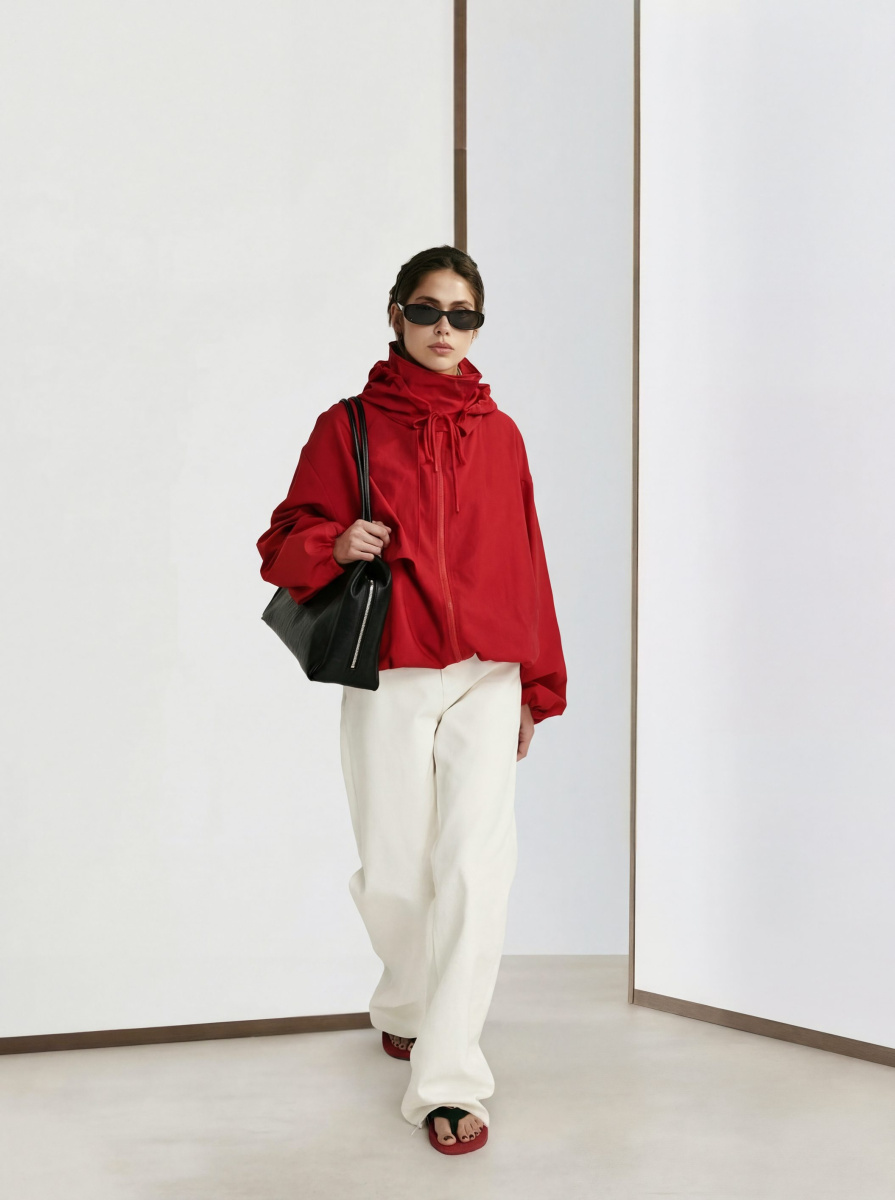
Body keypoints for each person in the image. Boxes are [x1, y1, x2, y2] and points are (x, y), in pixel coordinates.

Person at [256, 245, 567, 1154]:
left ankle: (448, 1079)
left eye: (462, 315)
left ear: (477, 325)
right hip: (389, 666)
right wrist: (335, 543)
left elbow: (528, 559)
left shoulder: (501, 434)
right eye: (427, 310)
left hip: (486, 673)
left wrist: (535, 687)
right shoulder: (347, 425)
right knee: (395, 871)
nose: (444, 329)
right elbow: (281, 542)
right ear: (395, 314)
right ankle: (405, 999)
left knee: (475, 869)